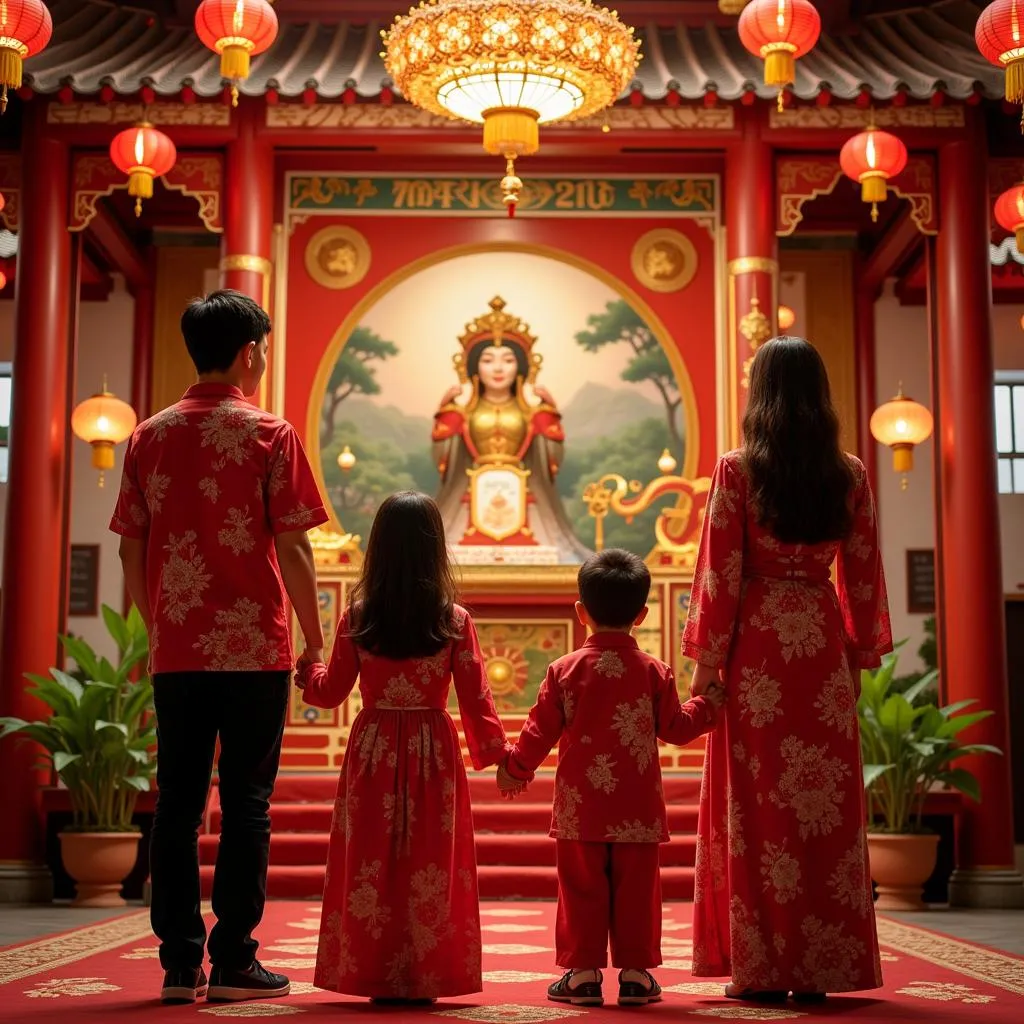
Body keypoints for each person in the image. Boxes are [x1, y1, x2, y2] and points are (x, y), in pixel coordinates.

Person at [111, 290, 328, 1005]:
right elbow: (293, 546)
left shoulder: (148, 435)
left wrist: (160, 627)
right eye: (262, 347)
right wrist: (315, 636)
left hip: (178, 653)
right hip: (254, 652)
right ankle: (235, 961)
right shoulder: (269, 432)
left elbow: (129, 554)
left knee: (177, 803)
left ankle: (179, 963)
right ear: (250, 352)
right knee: (247, 804)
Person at [683, 336, 892, 1004]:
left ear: (760, 392)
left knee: (761, 809)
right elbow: (863, 574)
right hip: (822, 646)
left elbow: (719, 570)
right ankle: (824, 965)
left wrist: (707, 665)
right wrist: (859, 655)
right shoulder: (850, 472)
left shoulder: (739, 469)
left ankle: (765, 965)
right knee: (822, 808)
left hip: (759, 648)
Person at [293, 491, 508, 1001]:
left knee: (371, 859)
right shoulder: (453, 619)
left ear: (378, 548)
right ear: (435, 548)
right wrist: (502, 759)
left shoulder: (358, 616)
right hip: (434, 747)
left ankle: (371, 972)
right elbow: (477, 698)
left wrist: (308, 670)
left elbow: (330, 693)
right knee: (430, 861)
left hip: (373, 748)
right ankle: (426, 973)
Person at [497, 548, 725, 1008]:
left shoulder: (563, 670)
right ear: (642, 614)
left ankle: (582, 976)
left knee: (581, 886)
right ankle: (637, 977)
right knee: (638, 890)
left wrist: (515, 768)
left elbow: (539, 731)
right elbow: (676, 729)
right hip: (637, 805)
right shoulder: (654, 671)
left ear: (581, 612)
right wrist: (708, 706)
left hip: (581, 805)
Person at [432, 296, 590, 561]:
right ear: (473, 367)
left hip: (525, 493)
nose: (497, 368)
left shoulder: (532, 412)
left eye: (507, 360)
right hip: (469, 494)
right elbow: (443, 460)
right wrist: (444, 415)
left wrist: (550, 417)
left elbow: (551, 460)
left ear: (520, 366)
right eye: (487, 360)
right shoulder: (462, 412)